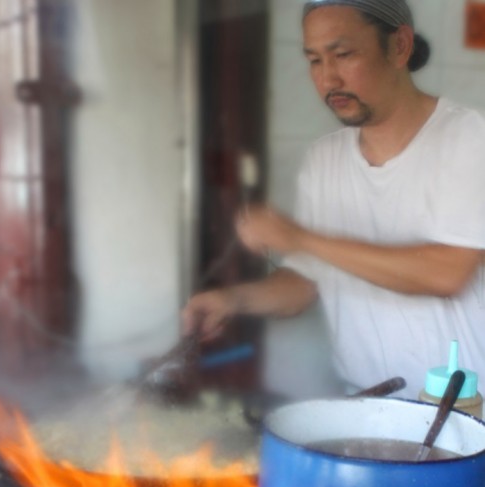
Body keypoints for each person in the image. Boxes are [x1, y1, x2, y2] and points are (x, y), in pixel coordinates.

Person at [182, 0, 485, 399]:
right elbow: (307, 282)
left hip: (460, 411)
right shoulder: (324, 159)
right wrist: (233, 299)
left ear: (399, 47)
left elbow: (445, 273)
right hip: (364, 403)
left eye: (343, 55)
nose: (328, 78)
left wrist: (301, 237)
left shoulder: (467, 139)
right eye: (314, 60)